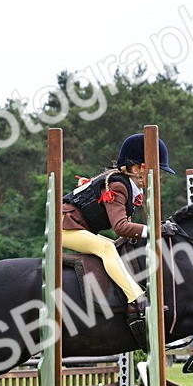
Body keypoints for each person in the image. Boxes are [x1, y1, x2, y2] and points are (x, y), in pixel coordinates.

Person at [62, 133, 175, 347]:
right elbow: (121, 227)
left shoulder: (127, 186)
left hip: (77, 226)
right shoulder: (118, 186)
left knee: (113, 247)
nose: (159, 177)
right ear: (136, 169)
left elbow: (126, 233)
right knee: (106, 247)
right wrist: (156, 231)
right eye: (155, 171)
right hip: (64, 226)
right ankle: (137, 299)